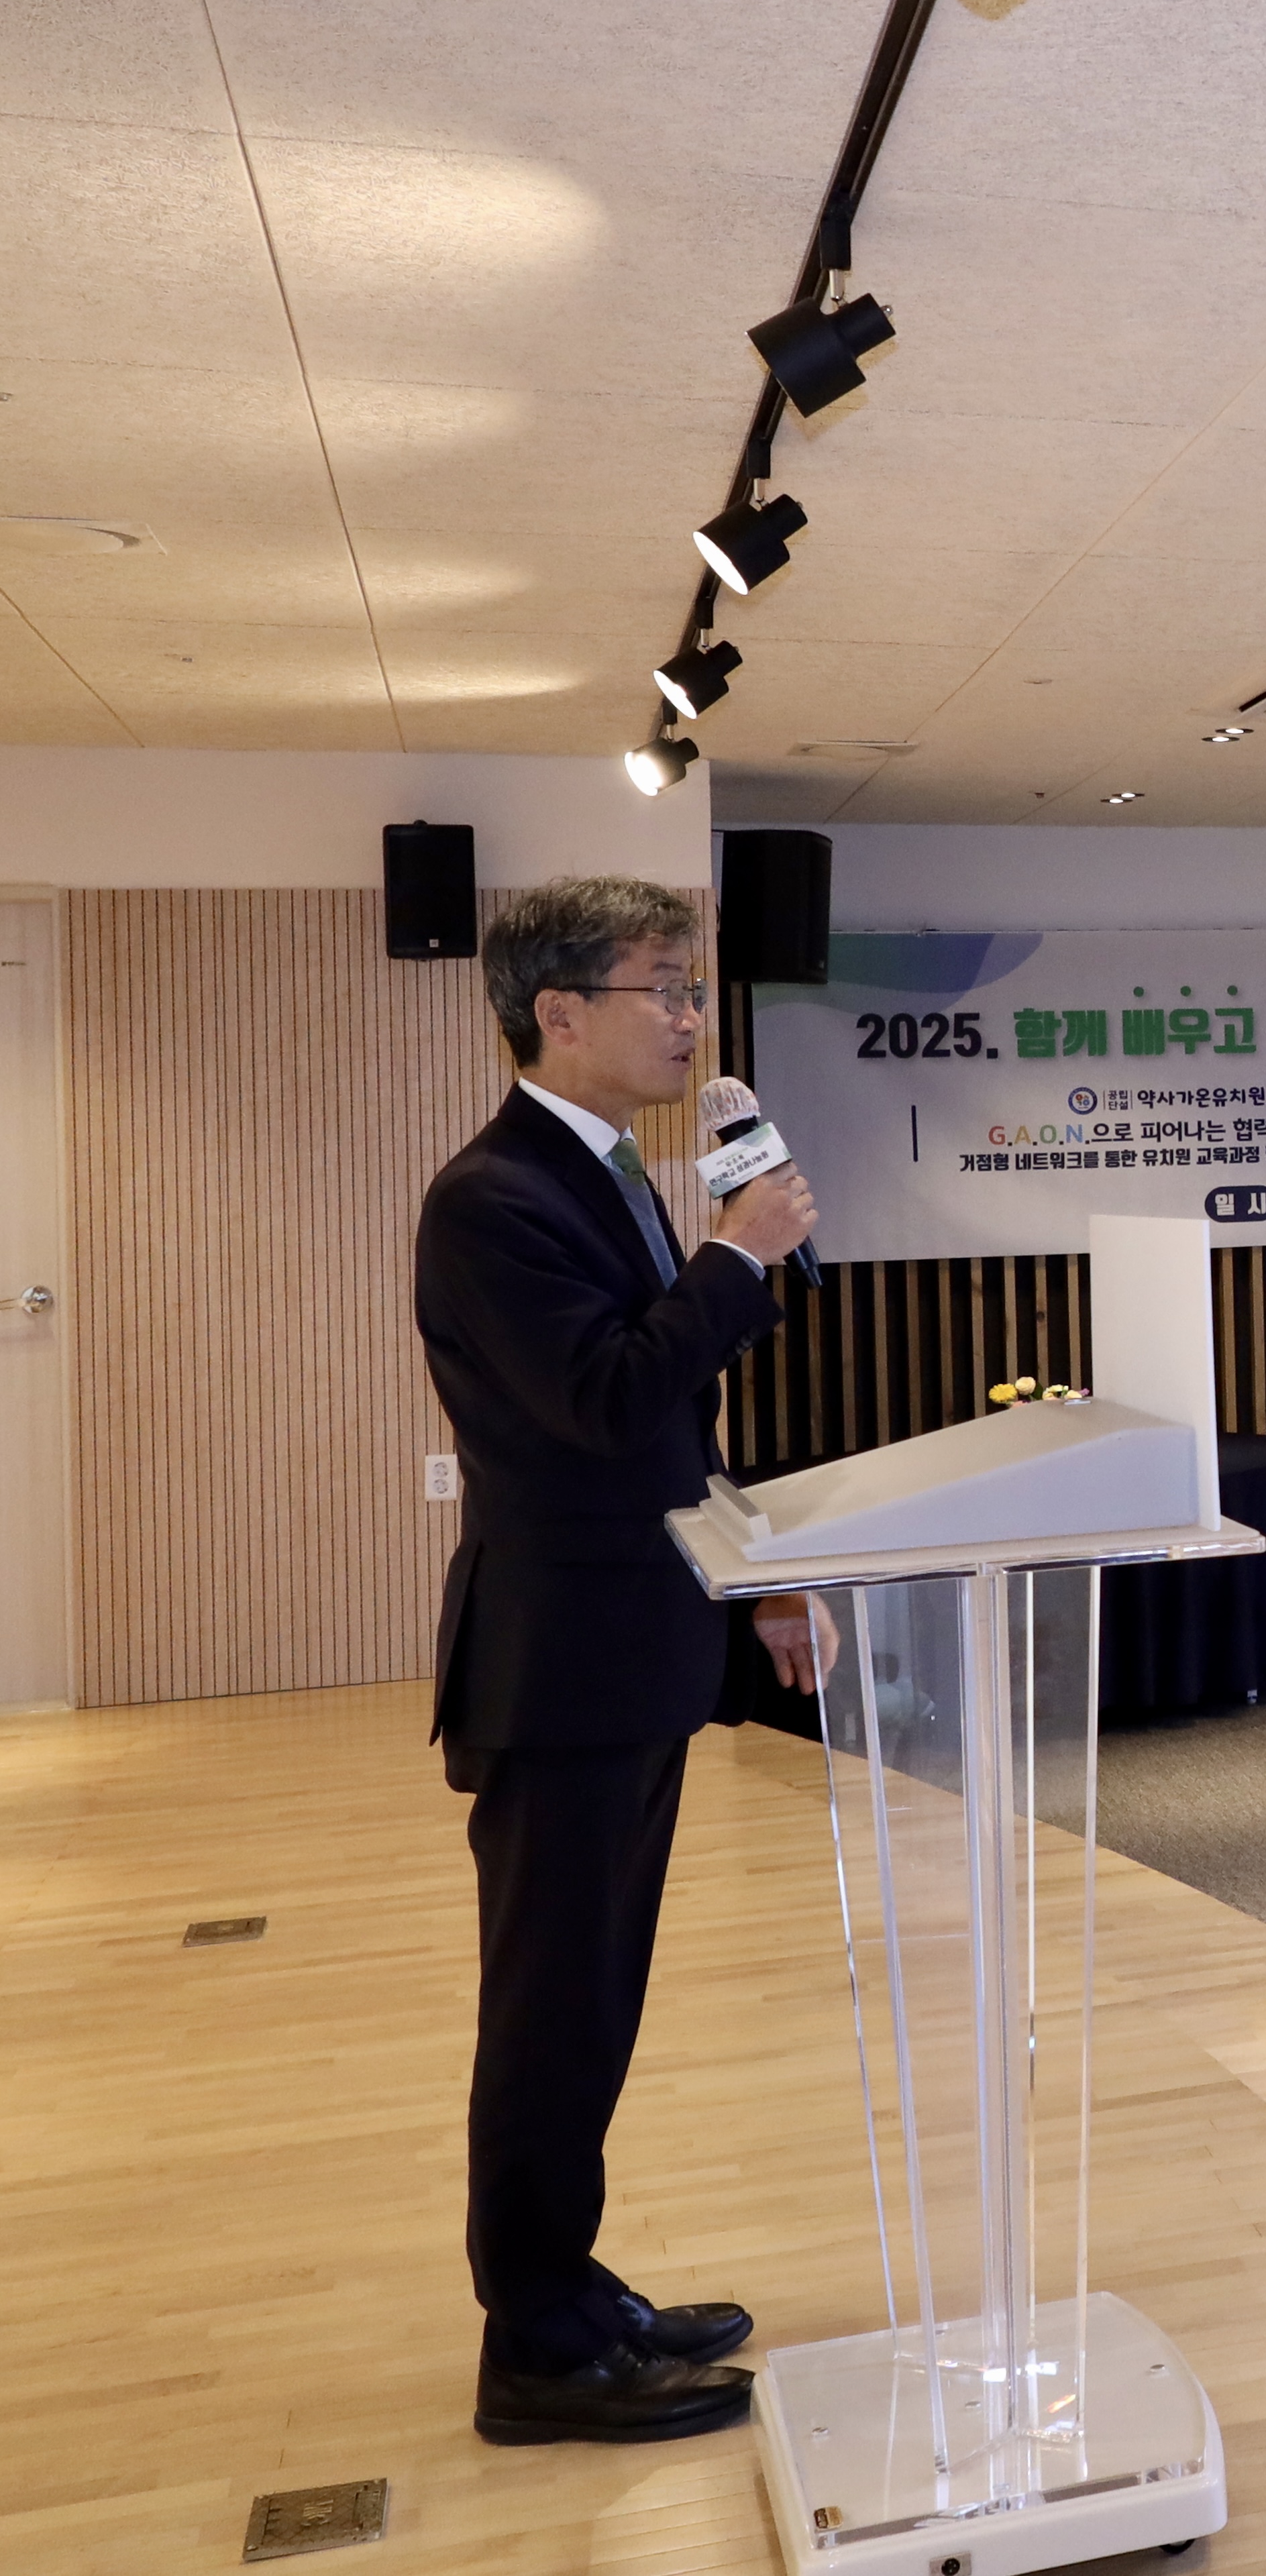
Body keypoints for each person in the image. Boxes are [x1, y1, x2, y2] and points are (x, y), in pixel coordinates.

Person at [417, 875, 823, 2445]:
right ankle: (534, 2342)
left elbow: (668, 1421)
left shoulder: (611, 1173)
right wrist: (735, 1254)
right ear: (557, 1010)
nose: (687, 1016)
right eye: (658, 986)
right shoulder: (492, 1195)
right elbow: (597, 1400)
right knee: (550, 2007)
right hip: (560, 1665)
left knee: (595, 2000)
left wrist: (758, 1573)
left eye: (690, 985)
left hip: (631, 1646)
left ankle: (576, 2292)